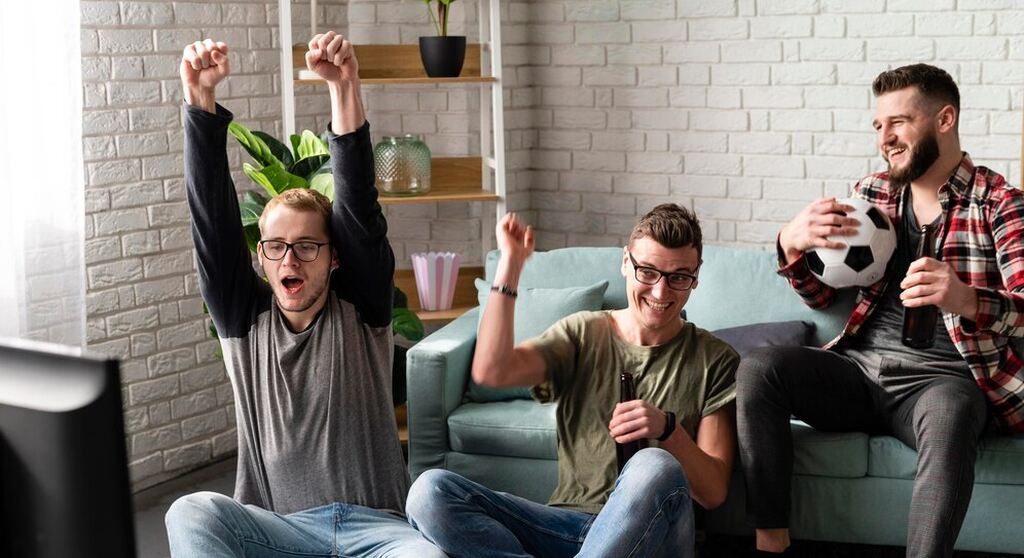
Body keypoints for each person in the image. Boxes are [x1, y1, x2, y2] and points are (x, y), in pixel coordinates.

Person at [163, 33, 445, 558]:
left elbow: (359, 206)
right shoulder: (244, 318)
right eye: (276, 247)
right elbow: (213, 225)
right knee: (190, 511)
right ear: (262, 256)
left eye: (307, 246)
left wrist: (344, 86)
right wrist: (199, 100)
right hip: (279, 530)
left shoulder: (360, 308)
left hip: (377, 530)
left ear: (334, 257)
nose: (289, 259)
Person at [736, 63, 1024, 557]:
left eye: (898, 122)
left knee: (952, 412)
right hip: (859, 373)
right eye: (877, 126)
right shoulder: (871, 195)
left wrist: (966, 299)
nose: (884, 137)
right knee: (760, 367)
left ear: (945, 119)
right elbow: (824, 297)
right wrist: (790, 244)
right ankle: (771, 543)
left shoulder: (1000, 205)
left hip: (941, 384)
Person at [405, 205, 739, 558]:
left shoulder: (714, 358)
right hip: (565, 524)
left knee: (653, 465)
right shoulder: (583, 333)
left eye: (678, 277)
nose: (660, 292)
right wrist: (512, 266)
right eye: (648, 272)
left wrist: (667, 429)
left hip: (658, 537)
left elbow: (713, 491)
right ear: (626, 262)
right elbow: (493, 370)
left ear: (696, 276)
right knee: (429, 492)